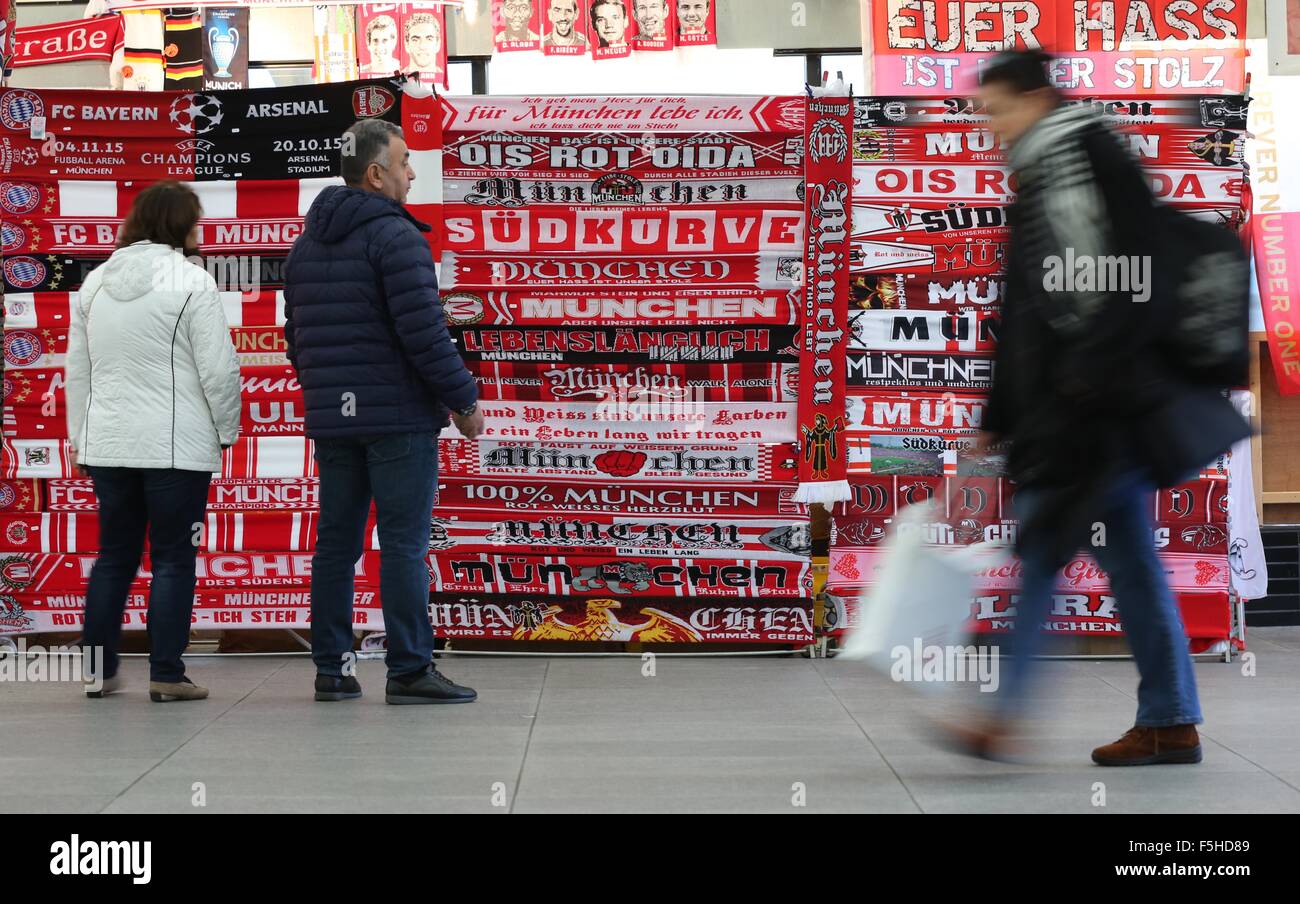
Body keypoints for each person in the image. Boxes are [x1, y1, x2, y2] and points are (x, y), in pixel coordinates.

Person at [944, 49, 1214, 766]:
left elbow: (1130, 278)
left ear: (1034, 98)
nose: (991, 127)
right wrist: (999, 413)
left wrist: (1085, 382)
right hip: (1083, 407)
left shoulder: (1081, 156)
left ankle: (1004, 718)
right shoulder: (1044, 169)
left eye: (997, 110)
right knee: (1126, 561)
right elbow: (1026, 309)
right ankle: (1171, 719)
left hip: (1099, 411)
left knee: (1042, 548)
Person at [284, 119, 484, 705]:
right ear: (376, 174)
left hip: (334, 421)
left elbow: (297, 338)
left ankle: (333, 671)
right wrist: (463, 400)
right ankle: (409, 670)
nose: (411, 172)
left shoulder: (306, 242)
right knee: (402, 544)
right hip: (397, 419)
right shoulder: (396, 238)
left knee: (336, 545)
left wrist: (329, 394)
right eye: (403, 163)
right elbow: (425, 334)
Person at [66, 181, 241, 703]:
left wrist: (82, 441)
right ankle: (166, 674)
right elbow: (219, 371)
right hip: (176, 451)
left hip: (110, 447)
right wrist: (226, 430)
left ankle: (97, 671)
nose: (199, 230)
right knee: (172, 559)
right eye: (195, 220)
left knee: (114, 555)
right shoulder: (191, 281)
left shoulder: (94, 284)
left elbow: (79, 374)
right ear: (179, 225)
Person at [403, 12, 442, 80]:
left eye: (429, 39)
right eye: (415, 39)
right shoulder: (395, 79)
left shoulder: (449, 79)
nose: (422, 46)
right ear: (406, 45)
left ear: (438, 44)